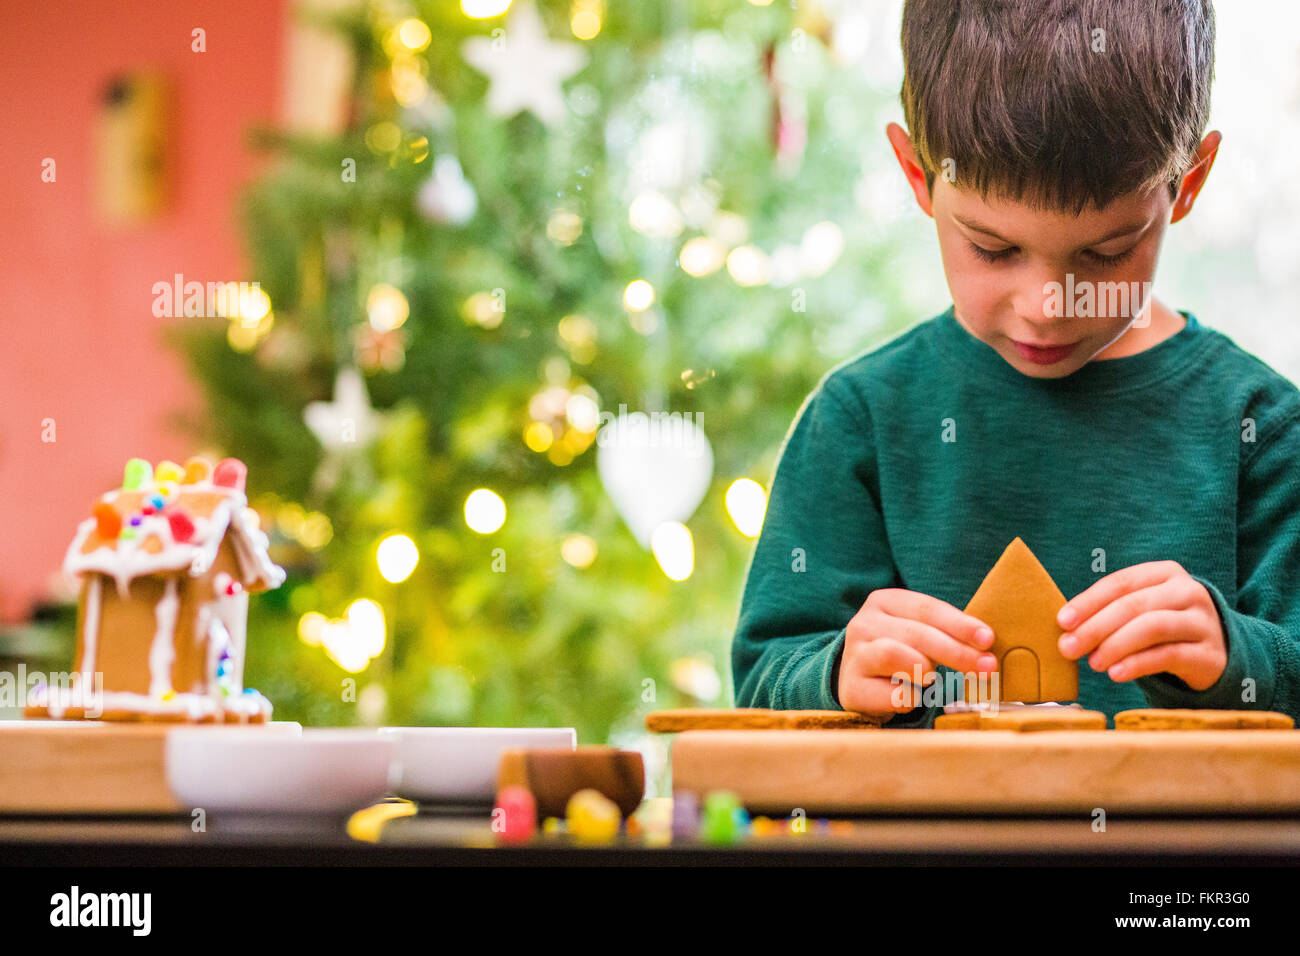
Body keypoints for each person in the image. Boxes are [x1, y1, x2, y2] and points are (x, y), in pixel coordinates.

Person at [731, 0, 1300, 726]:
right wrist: (836, 671)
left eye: (1104, 253)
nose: (1047, 305)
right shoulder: (860, 423)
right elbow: (763, 680)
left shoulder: (1264, 429)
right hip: (923, 844)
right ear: (917, 176)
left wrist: (1236, 657)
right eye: (993, 248)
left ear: (1187, 184)